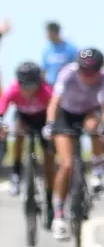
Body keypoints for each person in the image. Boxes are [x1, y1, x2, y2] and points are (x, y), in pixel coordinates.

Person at [45, 48, 104, 241]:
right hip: (66, 115)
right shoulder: (68, 73)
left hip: (89, 112)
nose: (89, 77)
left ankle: (98, 173)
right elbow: (54, 101)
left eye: (93, 73)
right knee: (66, 164)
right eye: (85, 72)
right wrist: (50, 124)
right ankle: (58, 214)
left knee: (96, 128)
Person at [1, 61, 56, 227]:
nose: (29, 90)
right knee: (18, 133)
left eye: (33, 86)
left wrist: (52, 126)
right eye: (26, 86)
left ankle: (49, 198)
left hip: (43, 120)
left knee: (49, 157)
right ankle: (16, 172)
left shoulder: (46, 91)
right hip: (23, 118)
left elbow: (55, 107)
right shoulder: (13, 89)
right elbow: (2, 106)